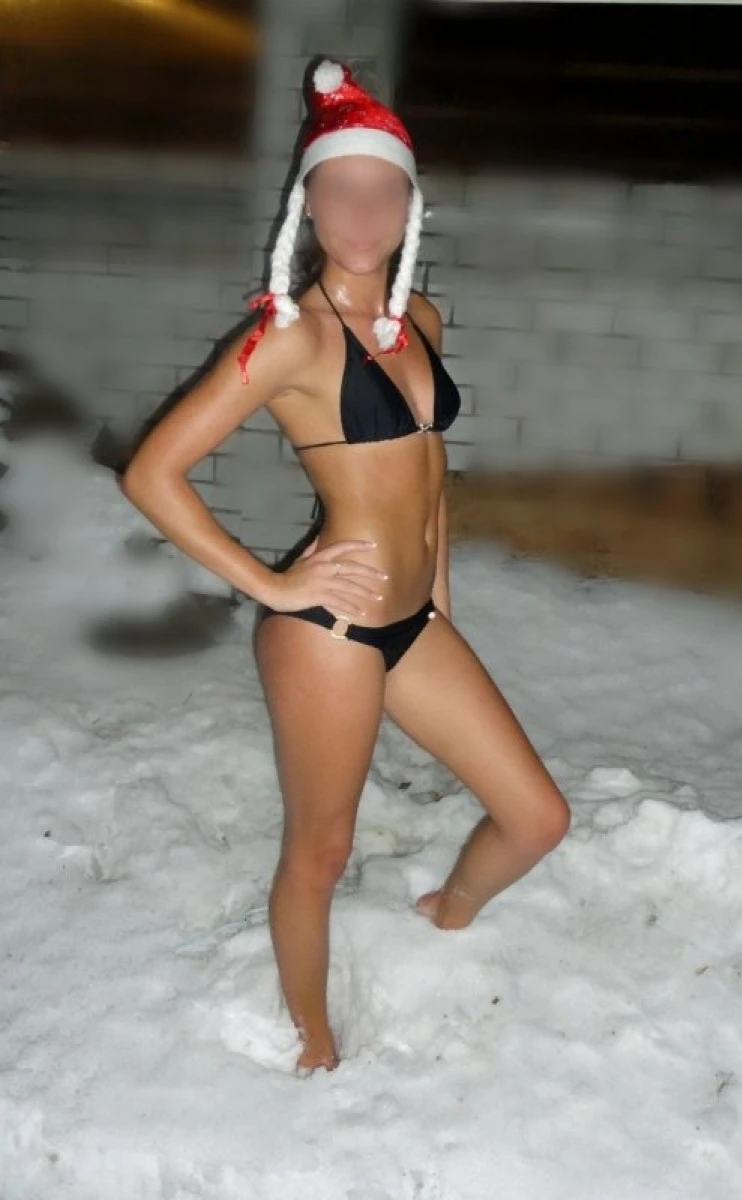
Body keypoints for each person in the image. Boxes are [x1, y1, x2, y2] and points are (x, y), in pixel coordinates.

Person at [122, 59, 571, 1075]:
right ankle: (313, 1041)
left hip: (413, 622)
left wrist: (440, 597)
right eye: (340, 190)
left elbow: (429, 474)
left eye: (382, 190)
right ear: (309, 205)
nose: (361, 212)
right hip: (329, 631)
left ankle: (447, 916)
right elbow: (152, 473)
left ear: (409, 206)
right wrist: (275, 586)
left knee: (538, 818)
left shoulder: (421, 321)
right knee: (320, 852)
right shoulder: (287, 341)